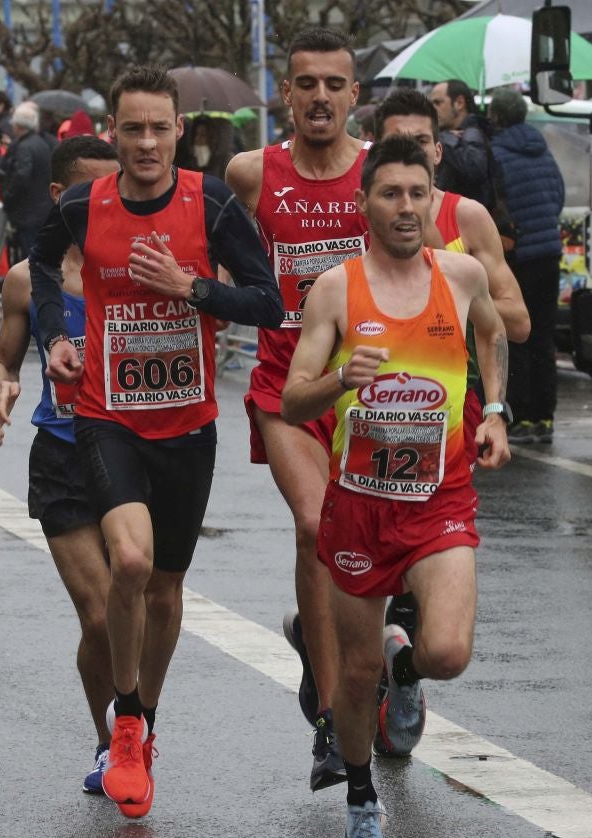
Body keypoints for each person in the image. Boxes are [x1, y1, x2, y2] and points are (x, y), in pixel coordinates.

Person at [30, 64, 283, 818]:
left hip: (187, 426)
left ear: (179, 132)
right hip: (107, 416)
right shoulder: (83, 205)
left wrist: (191, 288)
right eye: (132, 128)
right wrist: (54, 338)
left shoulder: (210, 202)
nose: (146, 142)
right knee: (132, 562)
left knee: (166, 588)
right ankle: (125, 719)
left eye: (158, 129)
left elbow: (268, 300)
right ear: (112, 132)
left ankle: (144, 721)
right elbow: (39, 266)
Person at [282, 136, 511, 838]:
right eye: (390, 194)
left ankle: (403, 666)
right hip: (359, 505)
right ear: (365, 205)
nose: (405, 207)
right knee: (352, 675)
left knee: (447, 651)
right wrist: (340, 378)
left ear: (431, 199)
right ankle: (360, 801)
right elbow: (291, 400)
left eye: (417, 192)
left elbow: (493, 333)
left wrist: (495, 411)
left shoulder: (462, 275)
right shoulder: (335, 290)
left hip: (439, 499)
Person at [224, 25, 370, 792]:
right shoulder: (252, 173)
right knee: (316, 526)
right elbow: (216, 259)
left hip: (371, 389)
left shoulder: (382, 174)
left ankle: (340, 660)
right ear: (285, 92)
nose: (319, 96)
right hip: (286, 387)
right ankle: (328, 718)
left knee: (372, 546)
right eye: (305, 83)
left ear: (354, 95)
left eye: (333, 84)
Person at [374, 89, 528, 752]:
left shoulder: (467, 219)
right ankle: (334, 671)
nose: (410, 153)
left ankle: (403, 668)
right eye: (394, 144)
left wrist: (447, 271)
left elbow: (515, 323)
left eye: (420, 142)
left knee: (425, 555)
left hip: (445, 409)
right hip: (360, 411)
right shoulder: (363, 214)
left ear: (438, 151)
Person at [0, 135, 121, 793]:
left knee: (135, 607)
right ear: (57, 195)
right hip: (62, 455)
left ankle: (134, 720)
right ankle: (112, 742)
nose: (104, 203)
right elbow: (4, 362)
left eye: (114, 189)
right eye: (88, 192)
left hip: (133, 452)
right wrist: (5, 385)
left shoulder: (140, 267)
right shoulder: (26, 278)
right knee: (98, 616)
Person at [488, 88, 565, 444]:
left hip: (518, 256)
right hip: (549, 252)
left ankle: (520, 416)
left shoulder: (497, 154)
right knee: (544, 337)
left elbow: (497, 205)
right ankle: (544, 417)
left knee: (517, 335)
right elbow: (558, 196)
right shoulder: (543, 150)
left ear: (496, 118)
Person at [0, 102, 56, 261]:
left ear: (18, 125)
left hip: (27, 212)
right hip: (42, 209)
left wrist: (8, 197)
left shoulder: (24, 147)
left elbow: (22, 176)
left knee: (29, 257)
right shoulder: (41, 143)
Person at [429, 80, 496, 209]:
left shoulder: (473, 132)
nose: (432, 109)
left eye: (438, 103)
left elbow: (474, 168)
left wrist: (442, 139)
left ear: (459, 103)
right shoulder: (450, 134)